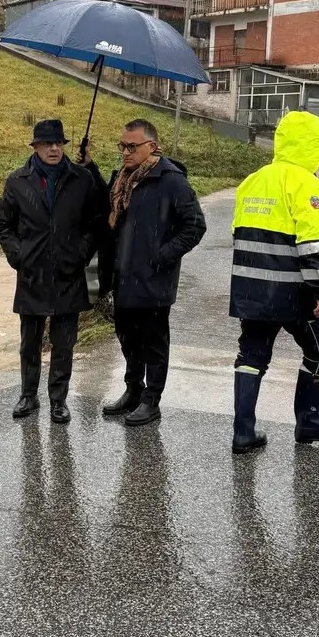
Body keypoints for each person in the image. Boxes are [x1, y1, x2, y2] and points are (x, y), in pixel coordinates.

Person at [229, 109, 319, 454]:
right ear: (312, 147)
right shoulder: (306, 183)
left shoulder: (253, 180)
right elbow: (311, 245)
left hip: (251, 288)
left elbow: (237, 233)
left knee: (251, 355)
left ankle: (243, 432)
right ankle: (310, 421)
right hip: (293, 292)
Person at [94, 118, 206, 426]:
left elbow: (195, 226)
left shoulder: (171, 181)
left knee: (154, 341)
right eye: (122, 146)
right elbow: (107, 214)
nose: (125, 152)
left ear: (152, 146)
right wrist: (89, 167)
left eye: (132, 147)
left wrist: (160, 256)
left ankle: (151, 400)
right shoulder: (121, 179)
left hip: (154, 279)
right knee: (127, 336)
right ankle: (133, 389)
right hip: (123, 276)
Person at [0, 117, 104, 424]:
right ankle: (28, 395)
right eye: (47, 144)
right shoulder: (18, 181)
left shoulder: (81, 179)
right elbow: (3, 223)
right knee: (29, 342)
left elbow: (98, 220)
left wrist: (81, 252)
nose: (54, 149)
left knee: (64, 342)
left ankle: (59, 400)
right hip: (32, 274)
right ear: (35, 147)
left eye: (58, 143)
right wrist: (18, 255)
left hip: (69, 273)